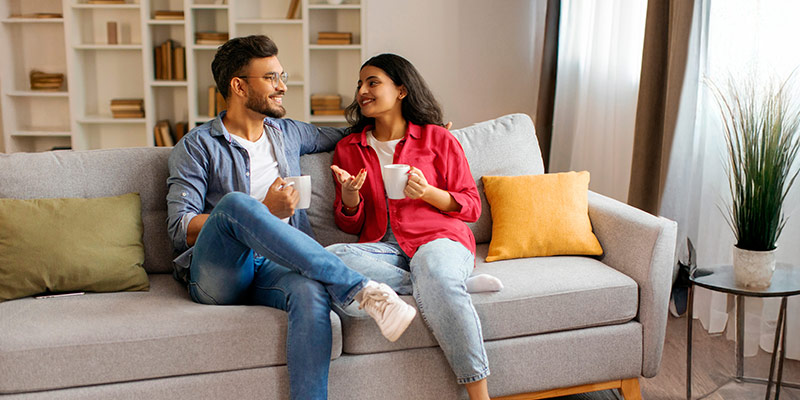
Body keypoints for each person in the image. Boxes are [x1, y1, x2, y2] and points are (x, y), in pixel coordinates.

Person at [165, 36, 416, 400]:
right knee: (236, 205)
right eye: (271, 78)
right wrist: (264, 210)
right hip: (220, 273)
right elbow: (179, 229)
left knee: (310, 292)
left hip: (276, 266)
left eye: (282, 76)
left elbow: (353, 134)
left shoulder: (288, 133)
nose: (282, 86)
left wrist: (423, 128)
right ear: (238, 86)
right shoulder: (197, 146)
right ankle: (361, 289)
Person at [326, 53, 500, 400]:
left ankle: (480, 396)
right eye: (360, 84)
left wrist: (429, 193)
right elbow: (349, 223)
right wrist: (349, 197)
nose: (362, 91)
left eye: (372, 82)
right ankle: (447, 284)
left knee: (433, 265)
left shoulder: (438, 139)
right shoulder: (349, 148)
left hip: (438, 239)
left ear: (401, 90)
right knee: (329, 256)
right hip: (384, 246)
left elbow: (471, 206)